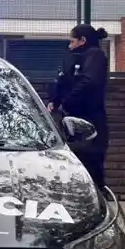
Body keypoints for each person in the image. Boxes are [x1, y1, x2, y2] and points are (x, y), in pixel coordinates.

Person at [50, 24, 111, 187]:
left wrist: (67, 102)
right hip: (71, 118)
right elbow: (62, 80)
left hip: (89, 117)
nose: (69, 46)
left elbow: (88, 82)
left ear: (82, 40)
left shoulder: (94, 57)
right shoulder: (74, 58)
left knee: (91, 161)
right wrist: (54, 100)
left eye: (72, 41)